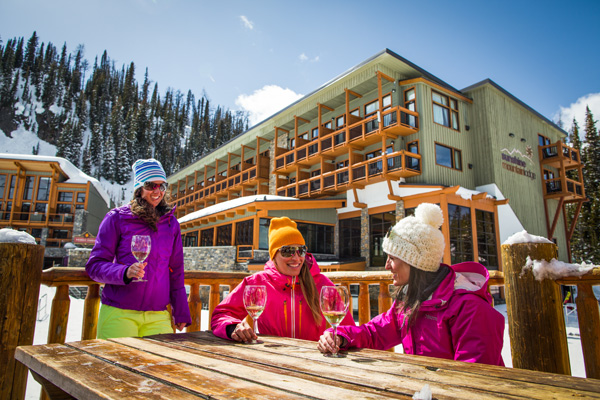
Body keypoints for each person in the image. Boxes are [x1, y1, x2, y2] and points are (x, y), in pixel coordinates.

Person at [317, 203, 505, 366]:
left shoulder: (470, 309)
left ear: (414, 263)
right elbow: (376, 333)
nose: (386, 266)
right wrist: (341, 336)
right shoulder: (411, 301)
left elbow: (474, 380)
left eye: (392, 258)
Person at [86, 158, 191, 339]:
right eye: (151, 185)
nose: (157, 191)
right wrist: (124, 272)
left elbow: (176, 270)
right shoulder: (117, 218)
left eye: (162, 186)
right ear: (139, 188)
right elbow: (95, 265)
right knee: (116, 367)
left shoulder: (171, 223)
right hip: (119, 313)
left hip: (158, 315)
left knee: (159, 367)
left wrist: (180, 309)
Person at [211, 217, 355, 342]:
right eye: (288, 251)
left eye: (301, 251)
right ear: (274, 255)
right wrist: (233, 327)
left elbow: (349, 331)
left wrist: (338, 338)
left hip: (314, 361)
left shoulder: (323, 285)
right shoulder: (256, 283)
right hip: (271, 360)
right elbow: (221, 315)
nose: (296, 258)